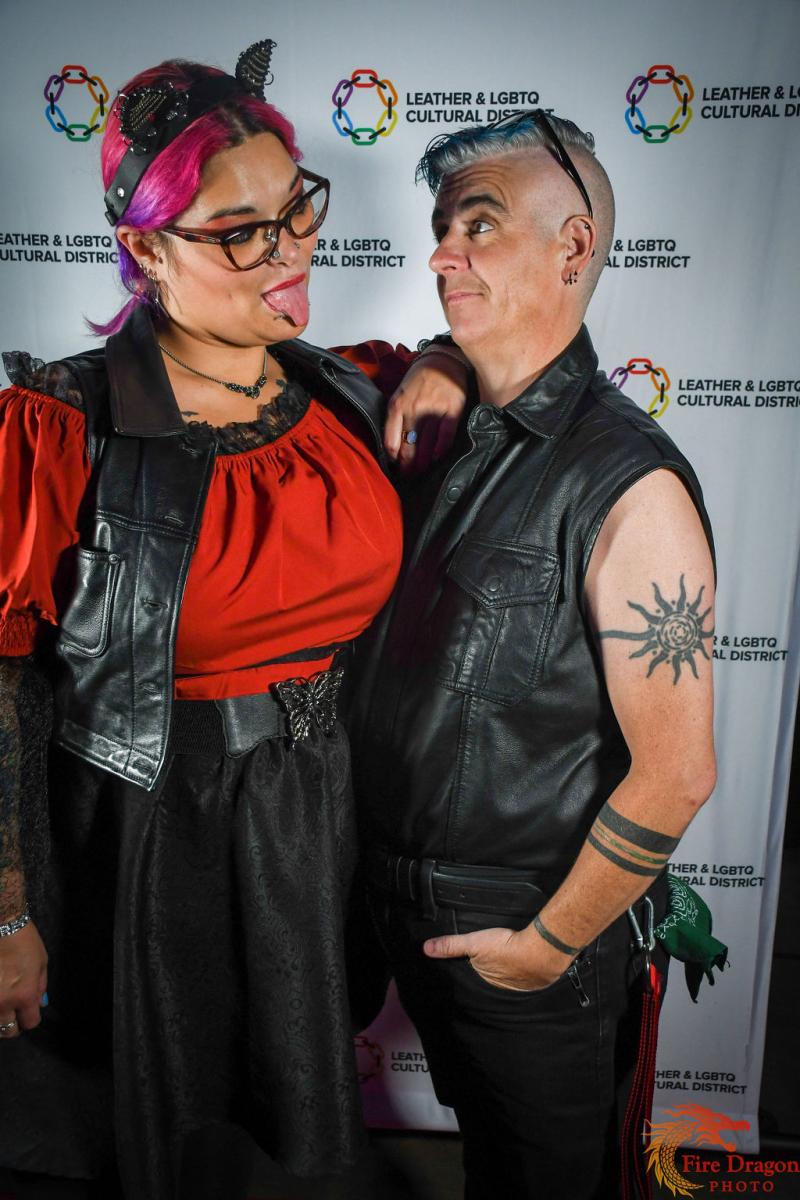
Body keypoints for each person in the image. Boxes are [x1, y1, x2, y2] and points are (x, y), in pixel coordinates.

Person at [0, 42, 464, 1200]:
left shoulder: (347, 392)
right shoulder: (59, 426)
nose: (289, 248)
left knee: (295, 1129)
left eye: (295, 207)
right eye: (239, 230)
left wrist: (450, 357)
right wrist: (4, 914)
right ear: (148, 248)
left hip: (321, 817)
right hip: (160, 837)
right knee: (168, 1128)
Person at [351, 111, 717, 1199]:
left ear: (572, 248)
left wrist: (547, 946)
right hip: (398, 912)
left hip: (525, 935)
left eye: (479, 224)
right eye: (439, 229)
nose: (441, 255)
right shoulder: (439, 423)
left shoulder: (632, 484)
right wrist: (437, 357)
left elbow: (677, 771)